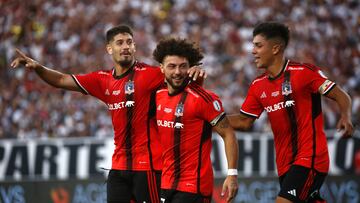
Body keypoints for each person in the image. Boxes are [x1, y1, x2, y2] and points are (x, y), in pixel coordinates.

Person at [10, 25, 206, 203]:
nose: (126, 46)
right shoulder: (102, 80)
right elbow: (62, 80)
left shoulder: (151, 73)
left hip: (148, 168)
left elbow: (178, 75)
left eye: (129, 42)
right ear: (109, 49)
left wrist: (194, 70)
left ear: (135, 46)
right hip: (119, 166)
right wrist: (37, 67)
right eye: (120, 43)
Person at [228, 22, 354, 203]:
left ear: (275, 48)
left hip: (310, 157)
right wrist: (211, 119)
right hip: (284, 163)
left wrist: (346, 116)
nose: (253, 51)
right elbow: (244, 121)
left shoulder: (304, 73)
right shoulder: (258, 85)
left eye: (258, 45)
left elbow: (341, 95)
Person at [152, 38, 239, 203]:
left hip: (194, 187)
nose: (177, 72)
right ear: (161, 68)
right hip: (165, 184)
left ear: (190, 67)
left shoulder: (203, 99)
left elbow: (228, 134)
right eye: (172, 66)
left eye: (182, 66)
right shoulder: (157, 95)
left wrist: (232, 174)